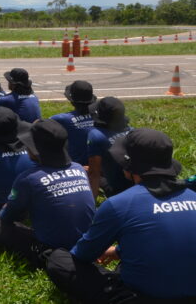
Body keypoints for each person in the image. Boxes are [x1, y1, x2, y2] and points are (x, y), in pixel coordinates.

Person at [46, 129, 196, 303]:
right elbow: (175, 240)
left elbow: (82, 255)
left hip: (141, 297)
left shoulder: (120, 204)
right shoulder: (192, 196)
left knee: (59, 261)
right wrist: (118, 251)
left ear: (129, 167)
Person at [0, 119, 95, 268]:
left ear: (35, 150)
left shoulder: (29, 178)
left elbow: (7, 217)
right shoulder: (79, 168)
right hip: (86, 242)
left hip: (52, 250)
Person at [86, 96, 132, 199]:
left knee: (83, 170)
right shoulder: (132, 132)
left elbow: (94, 174)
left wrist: (92, 203)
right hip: (134, 185)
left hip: (115, 190)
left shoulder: (96, 135)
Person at [50, 81, 96, 166]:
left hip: (76, 166)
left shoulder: (62, 119)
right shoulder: (101, 116)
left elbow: (39, 126)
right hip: (99, 164)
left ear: (71, 101)